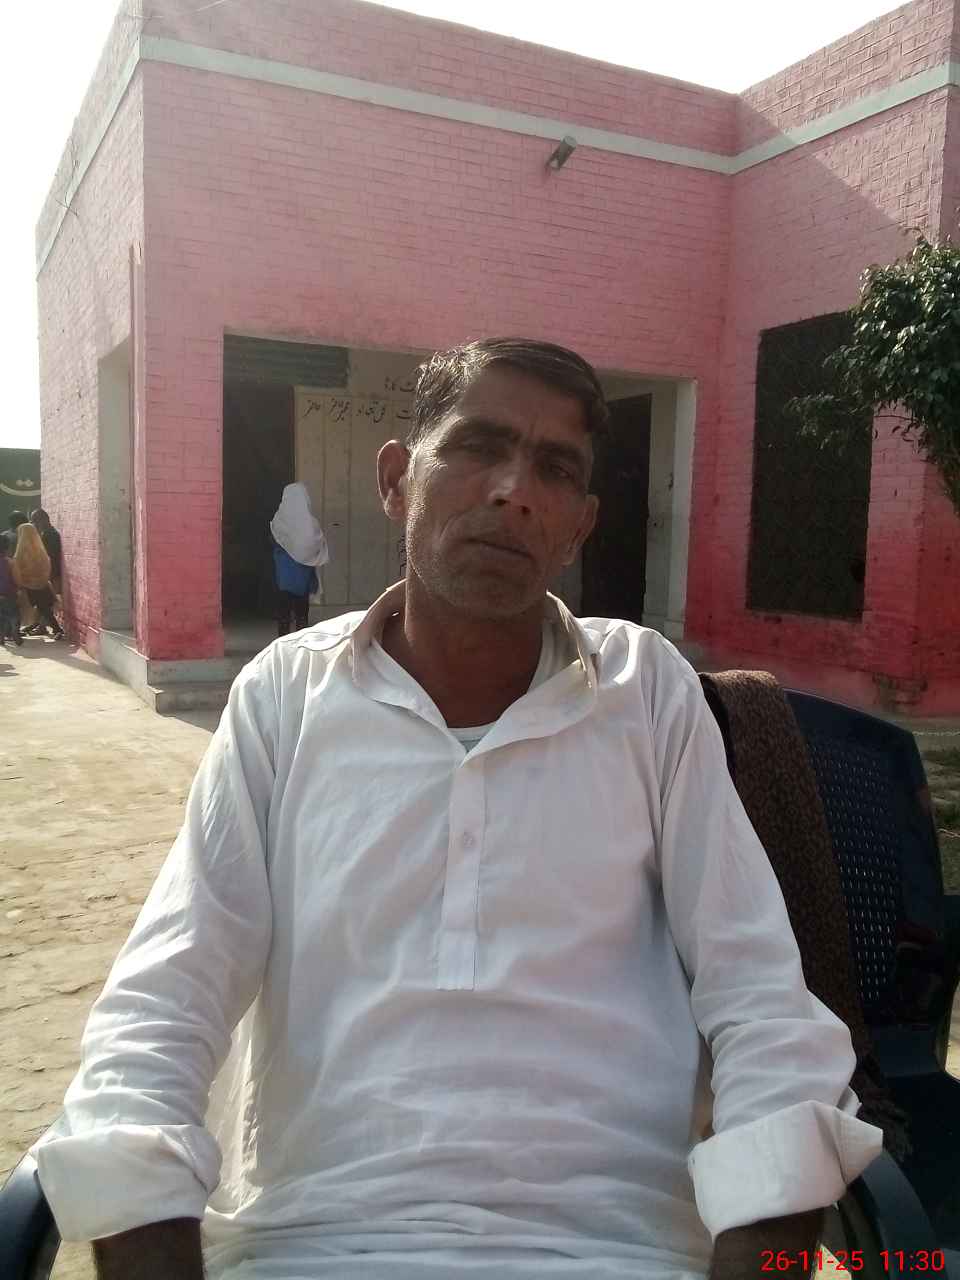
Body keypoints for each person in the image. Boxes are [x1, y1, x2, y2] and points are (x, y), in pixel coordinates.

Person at [34, 338, 882, 1280]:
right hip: (309, 1245)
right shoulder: (285, 697)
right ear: (397, 480)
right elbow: (165, 1000)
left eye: (555, 469)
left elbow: (760, 1002)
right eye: (478, 447)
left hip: (618, 1249)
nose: (514, 491)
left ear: (579, 527)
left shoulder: (646, 693)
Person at [269, 481, 328, 636]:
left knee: (284, 614)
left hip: (284, 579)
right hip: (303, 579)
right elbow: (317, 543)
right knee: (302, 615)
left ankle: (283, 642)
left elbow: (273, 540)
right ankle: (301, 643)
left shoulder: (279, 520)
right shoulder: (311, 523)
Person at [13, 522, 64, 640]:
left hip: (28, 584)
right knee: (43, 607)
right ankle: (40, 626)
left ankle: (56, 629)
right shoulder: (40, 549)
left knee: (42, 607)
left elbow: (17, 567)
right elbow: (47, 564)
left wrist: (21, 581)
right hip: (42, 582)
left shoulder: (21, 551)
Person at [0, 536, 22, 646]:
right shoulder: (10, 562)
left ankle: (1, 637)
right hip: (9, 593)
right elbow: (17, 579)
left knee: (1, 617)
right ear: (7, 548)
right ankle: (15, 630)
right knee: (14, 614)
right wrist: (19, 588)